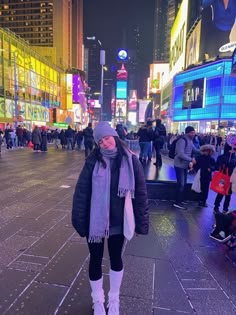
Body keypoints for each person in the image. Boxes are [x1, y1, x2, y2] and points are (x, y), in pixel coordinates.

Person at [72, 121, 149, 315]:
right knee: (95, 260)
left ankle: (114, 299)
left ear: (114, 136)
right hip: (95, 222)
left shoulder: (131, 161)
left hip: (118, 221)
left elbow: (140, 193)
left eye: (107, 138)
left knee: (116, 259)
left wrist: (141, 224)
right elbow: (82, 192)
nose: (105, 143)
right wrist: (79, 222)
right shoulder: (92, 161)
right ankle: (98, 300)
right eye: (101, 141)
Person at [173, 126, 199, 209]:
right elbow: (180, 154)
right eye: (192, 132)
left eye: (194, 132)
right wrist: (191, 159)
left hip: (185, 165)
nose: (193, 134)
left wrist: (204, 151)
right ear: (188, 133)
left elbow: (194, 150)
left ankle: (181, 199)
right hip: (179, 165)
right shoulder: (182, 140)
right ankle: (177, 202)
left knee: (183, 183)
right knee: (181, 184)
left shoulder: (190, 141)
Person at [213, 143, 236, 214]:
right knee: (220, 192)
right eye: (231, 150)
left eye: (234, 150)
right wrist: (225, 165)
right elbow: (217, 166)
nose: (232, 151)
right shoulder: (221, 157)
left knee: (228, 194)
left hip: (231, 178)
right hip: (222, 178)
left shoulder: (234, 158)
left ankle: (225, 208)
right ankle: (216, 207)